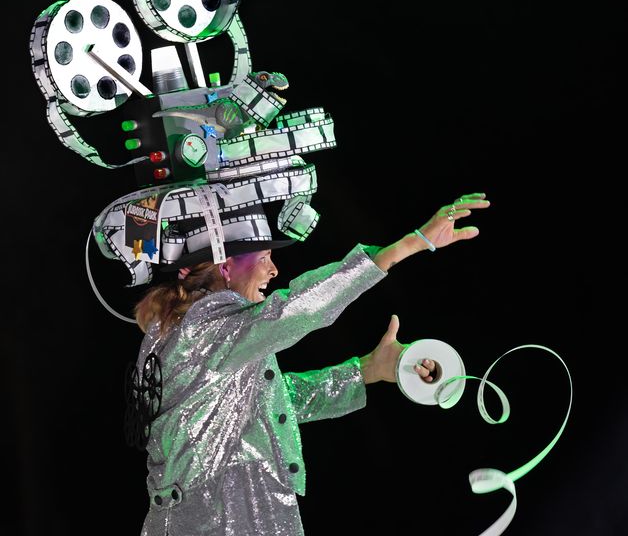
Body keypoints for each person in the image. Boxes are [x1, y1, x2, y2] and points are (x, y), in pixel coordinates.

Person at [132, 192, 490, 536]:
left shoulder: (206, 335)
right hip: (218, 521)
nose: (273, 270)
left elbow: (270, 402)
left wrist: (368, 369)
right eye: (264, 257)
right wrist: (407, 246)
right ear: (226, 266)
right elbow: (294, 311)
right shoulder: (204, 328)